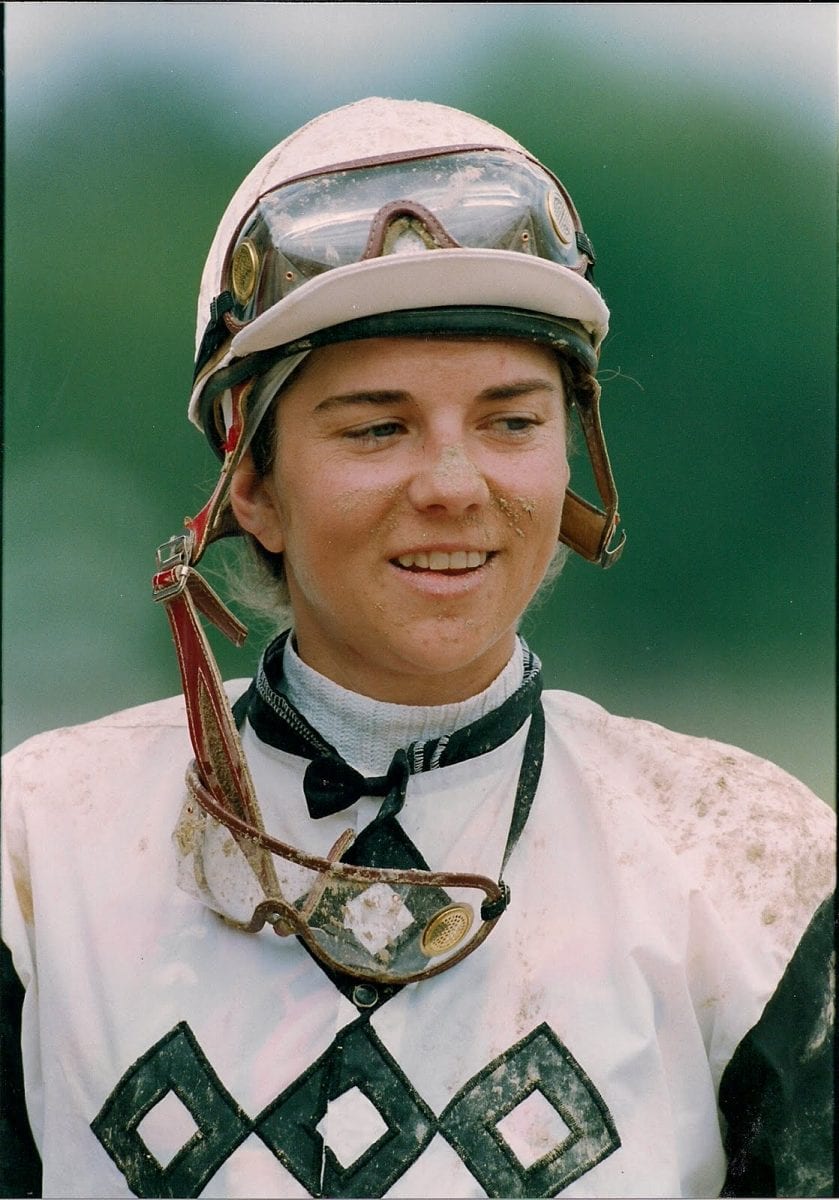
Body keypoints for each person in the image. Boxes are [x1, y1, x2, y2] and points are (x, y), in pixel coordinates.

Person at [1, 97, 834, 1200]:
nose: (453, 488)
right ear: (249, 484)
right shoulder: (35, 856)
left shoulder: (754, 863)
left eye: (510, 421)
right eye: (374, 428)